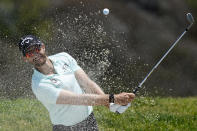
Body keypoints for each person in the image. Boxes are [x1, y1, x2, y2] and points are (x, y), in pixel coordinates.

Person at [18, 35, 135, 131]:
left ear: (43, 47)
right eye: (29, 53)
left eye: (36, 49)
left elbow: (87, 84)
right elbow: (79, 99)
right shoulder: (39, 85)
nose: (35, 55)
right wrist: (112, 98)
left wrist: (110, 104)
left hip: (89, 121)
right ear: (25, 58)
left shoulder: (63, 57)